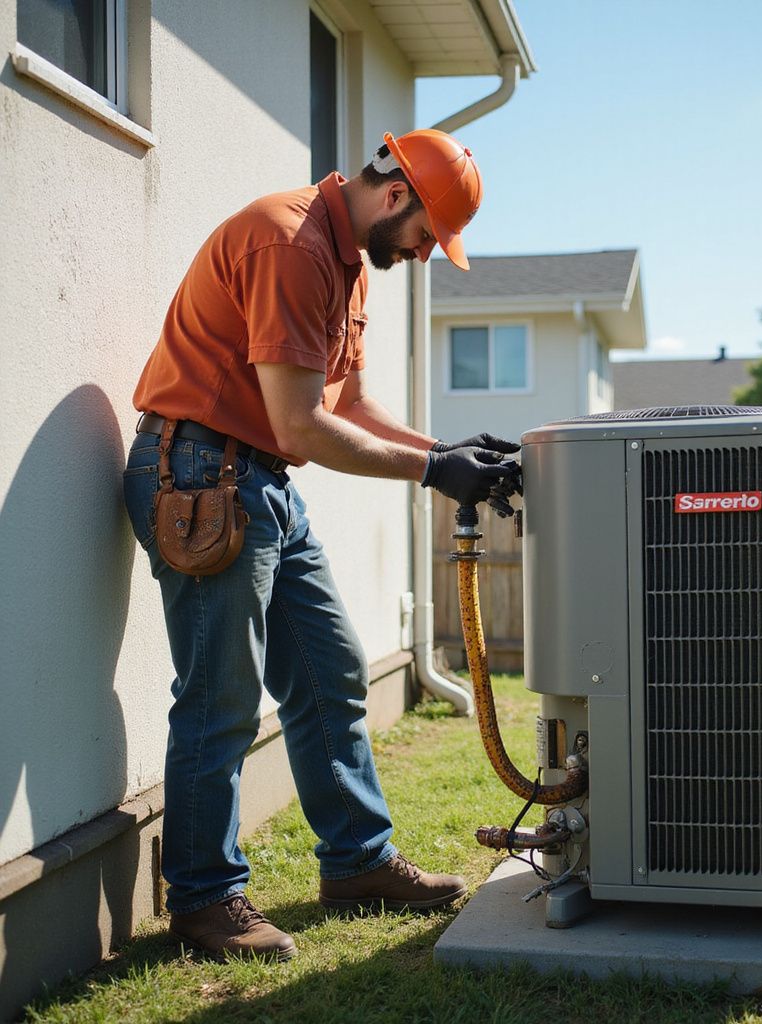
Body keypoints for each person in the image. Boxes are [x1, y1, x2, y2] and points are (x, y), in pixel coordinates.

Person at [122, 129, 519, 962]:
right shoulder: (289, 242)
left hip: (259, 478)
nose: (420, 255)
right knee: (219, 696)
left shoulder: (344, 264)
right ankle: (203, 898)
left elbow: (351, 408)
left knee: (331, 670)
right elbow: (302, 422)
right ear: (398, 194)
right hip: (200, 476)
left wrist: (449, 451)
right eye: (425, 237)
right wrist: (432, 471)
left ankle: (358, 864)